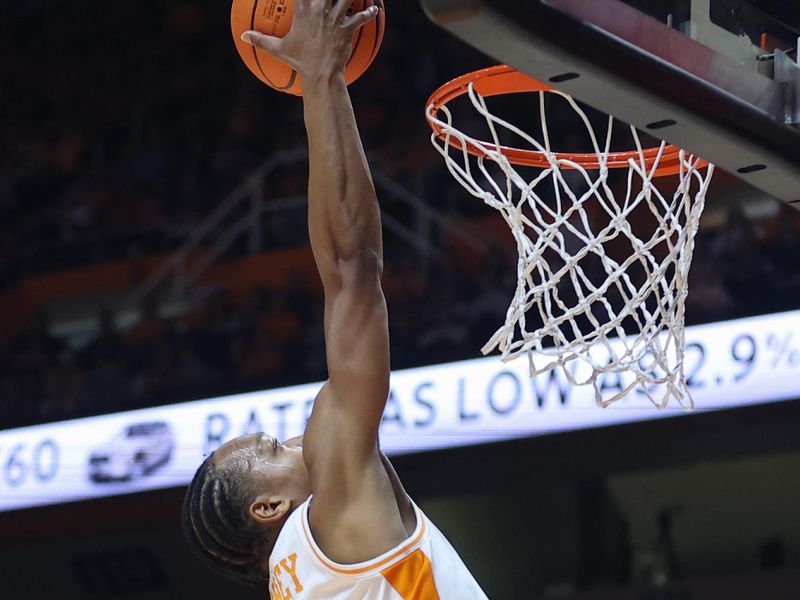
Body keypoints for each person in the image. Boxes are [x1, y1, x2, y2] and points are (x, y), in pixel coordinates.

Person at [181, 2, 489, 598]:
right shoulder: (331, 515)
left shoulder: (295, 583)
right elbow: (352, 271)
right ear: (269, 506)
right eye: (273, 447)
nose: (295, 437)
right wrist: (320, 76)